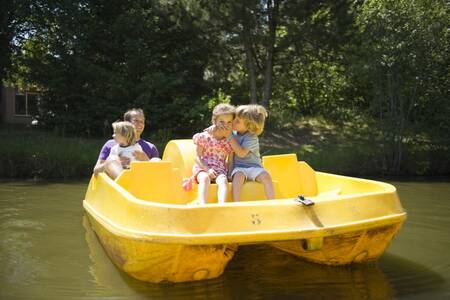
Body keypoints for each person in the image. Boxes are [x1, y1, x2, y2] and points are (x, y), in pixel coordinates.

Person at [183, 103, 235, 205]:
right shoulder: (204, 137)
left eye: (229, 122)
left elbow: (230, 160)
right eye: (221, 121)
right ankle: (203, 205)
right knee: (205, 178)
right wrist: (208, 169)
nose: (225, 125)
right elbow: (197, 158)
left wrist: (229, 173)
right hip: (203, 167)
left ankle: (222, 206)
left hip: (219, 169)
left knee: (223, 180)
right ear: (214, 121)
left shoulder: (230, 140)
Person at [93, 108, 160, 179]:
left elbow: (156, 174)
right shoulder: (110, 145)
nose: (140, 124)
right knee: (112, 158)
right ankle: (123, 181)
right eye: (136, 121)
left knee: (156, 160)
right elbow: (96, 170)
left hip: (140, 181)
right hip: (115, 186)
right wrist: (112, 162)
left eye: (142, 121)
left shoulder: (150, 147)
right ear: (126, 123)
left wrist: (146, 160)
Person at [228, 104, 275, 202]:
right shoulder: (233, 134)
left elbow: (241, 153)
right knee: (238, 177)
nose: (233, 122)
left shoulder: (251, 137)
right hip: (239, 168)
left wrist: (229, 137)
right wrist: (229, 172)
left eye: (237, 121)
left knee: (266, 177)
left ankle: (272, 202)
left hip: (255, 167)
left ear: (249, 126)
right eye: (234, 118)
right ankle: (237, 203)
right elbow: (231, 154)